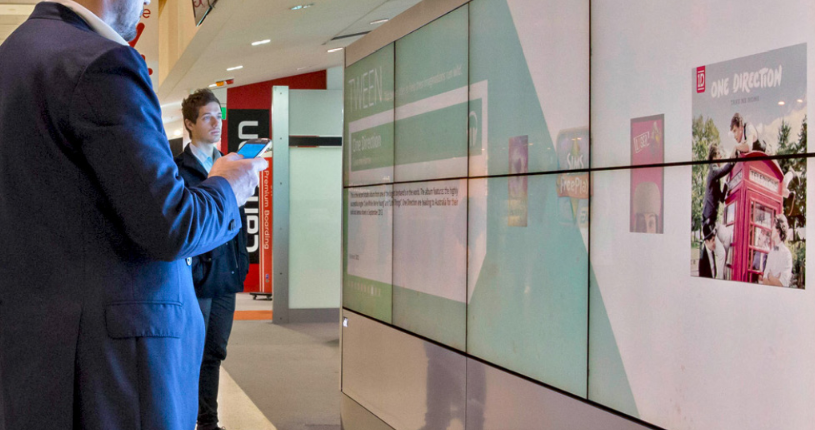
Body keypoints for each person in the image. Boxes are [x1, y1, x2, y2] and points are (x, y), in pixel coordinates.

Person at [0, 1, 268, 429]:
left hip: (41, 358)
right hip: (114, 374)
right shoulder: (100, 63)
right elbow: (171, 226)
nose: (146, 6)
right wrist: (227, 187)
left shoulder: (14, 55)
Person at [175, 89, 250, 430]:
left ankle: (209, 421)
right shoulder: (176, 169)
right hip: (196, 275)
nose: (216, 123)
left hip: (227, 271)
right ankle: (183, 418)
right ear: (189, 123)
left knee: (215, 352)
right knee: (192, 352)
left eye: (218, 116)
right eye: (207, 117)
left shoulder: (231, 164)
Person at [762, 215, 793, 287]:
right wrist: (774, 278)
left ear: (778, 230)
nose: (771, 229)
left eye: (773, 226)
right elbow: (764, 280)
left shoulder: (787, 254)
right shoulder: (771, 253)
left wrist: (769, 276)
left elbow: (782, 284)